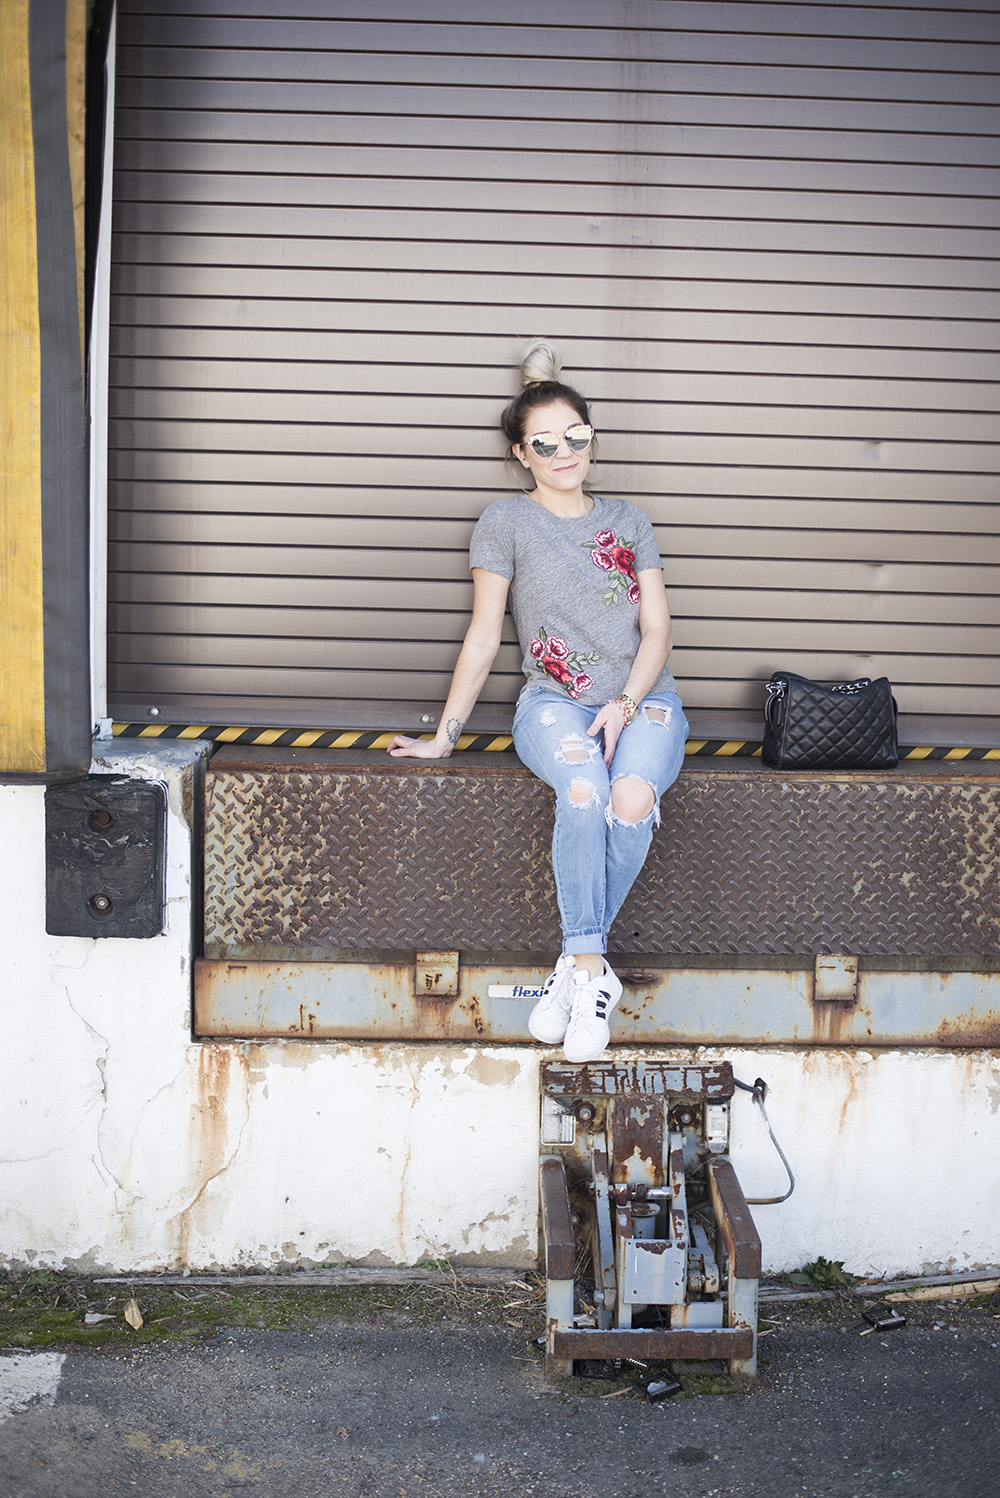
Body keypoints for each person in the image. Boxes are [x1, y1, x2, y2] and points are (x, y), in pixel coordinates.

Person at [388, 340, 688, 1061]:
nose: (564, 452)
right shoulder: (504, 523)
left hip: (644, 699)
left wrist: (621, 702)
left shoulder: (629, 519)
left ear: (592, 437)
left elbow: (658, 630)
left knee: (632, 802)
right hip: (551, 701)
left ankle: (571, 968)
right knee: (584, 787)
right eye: (545, 443)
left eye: (576, 437)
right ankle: (592, 972)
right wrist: (446, 736)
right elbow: (485, 637)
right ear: (522, 453)